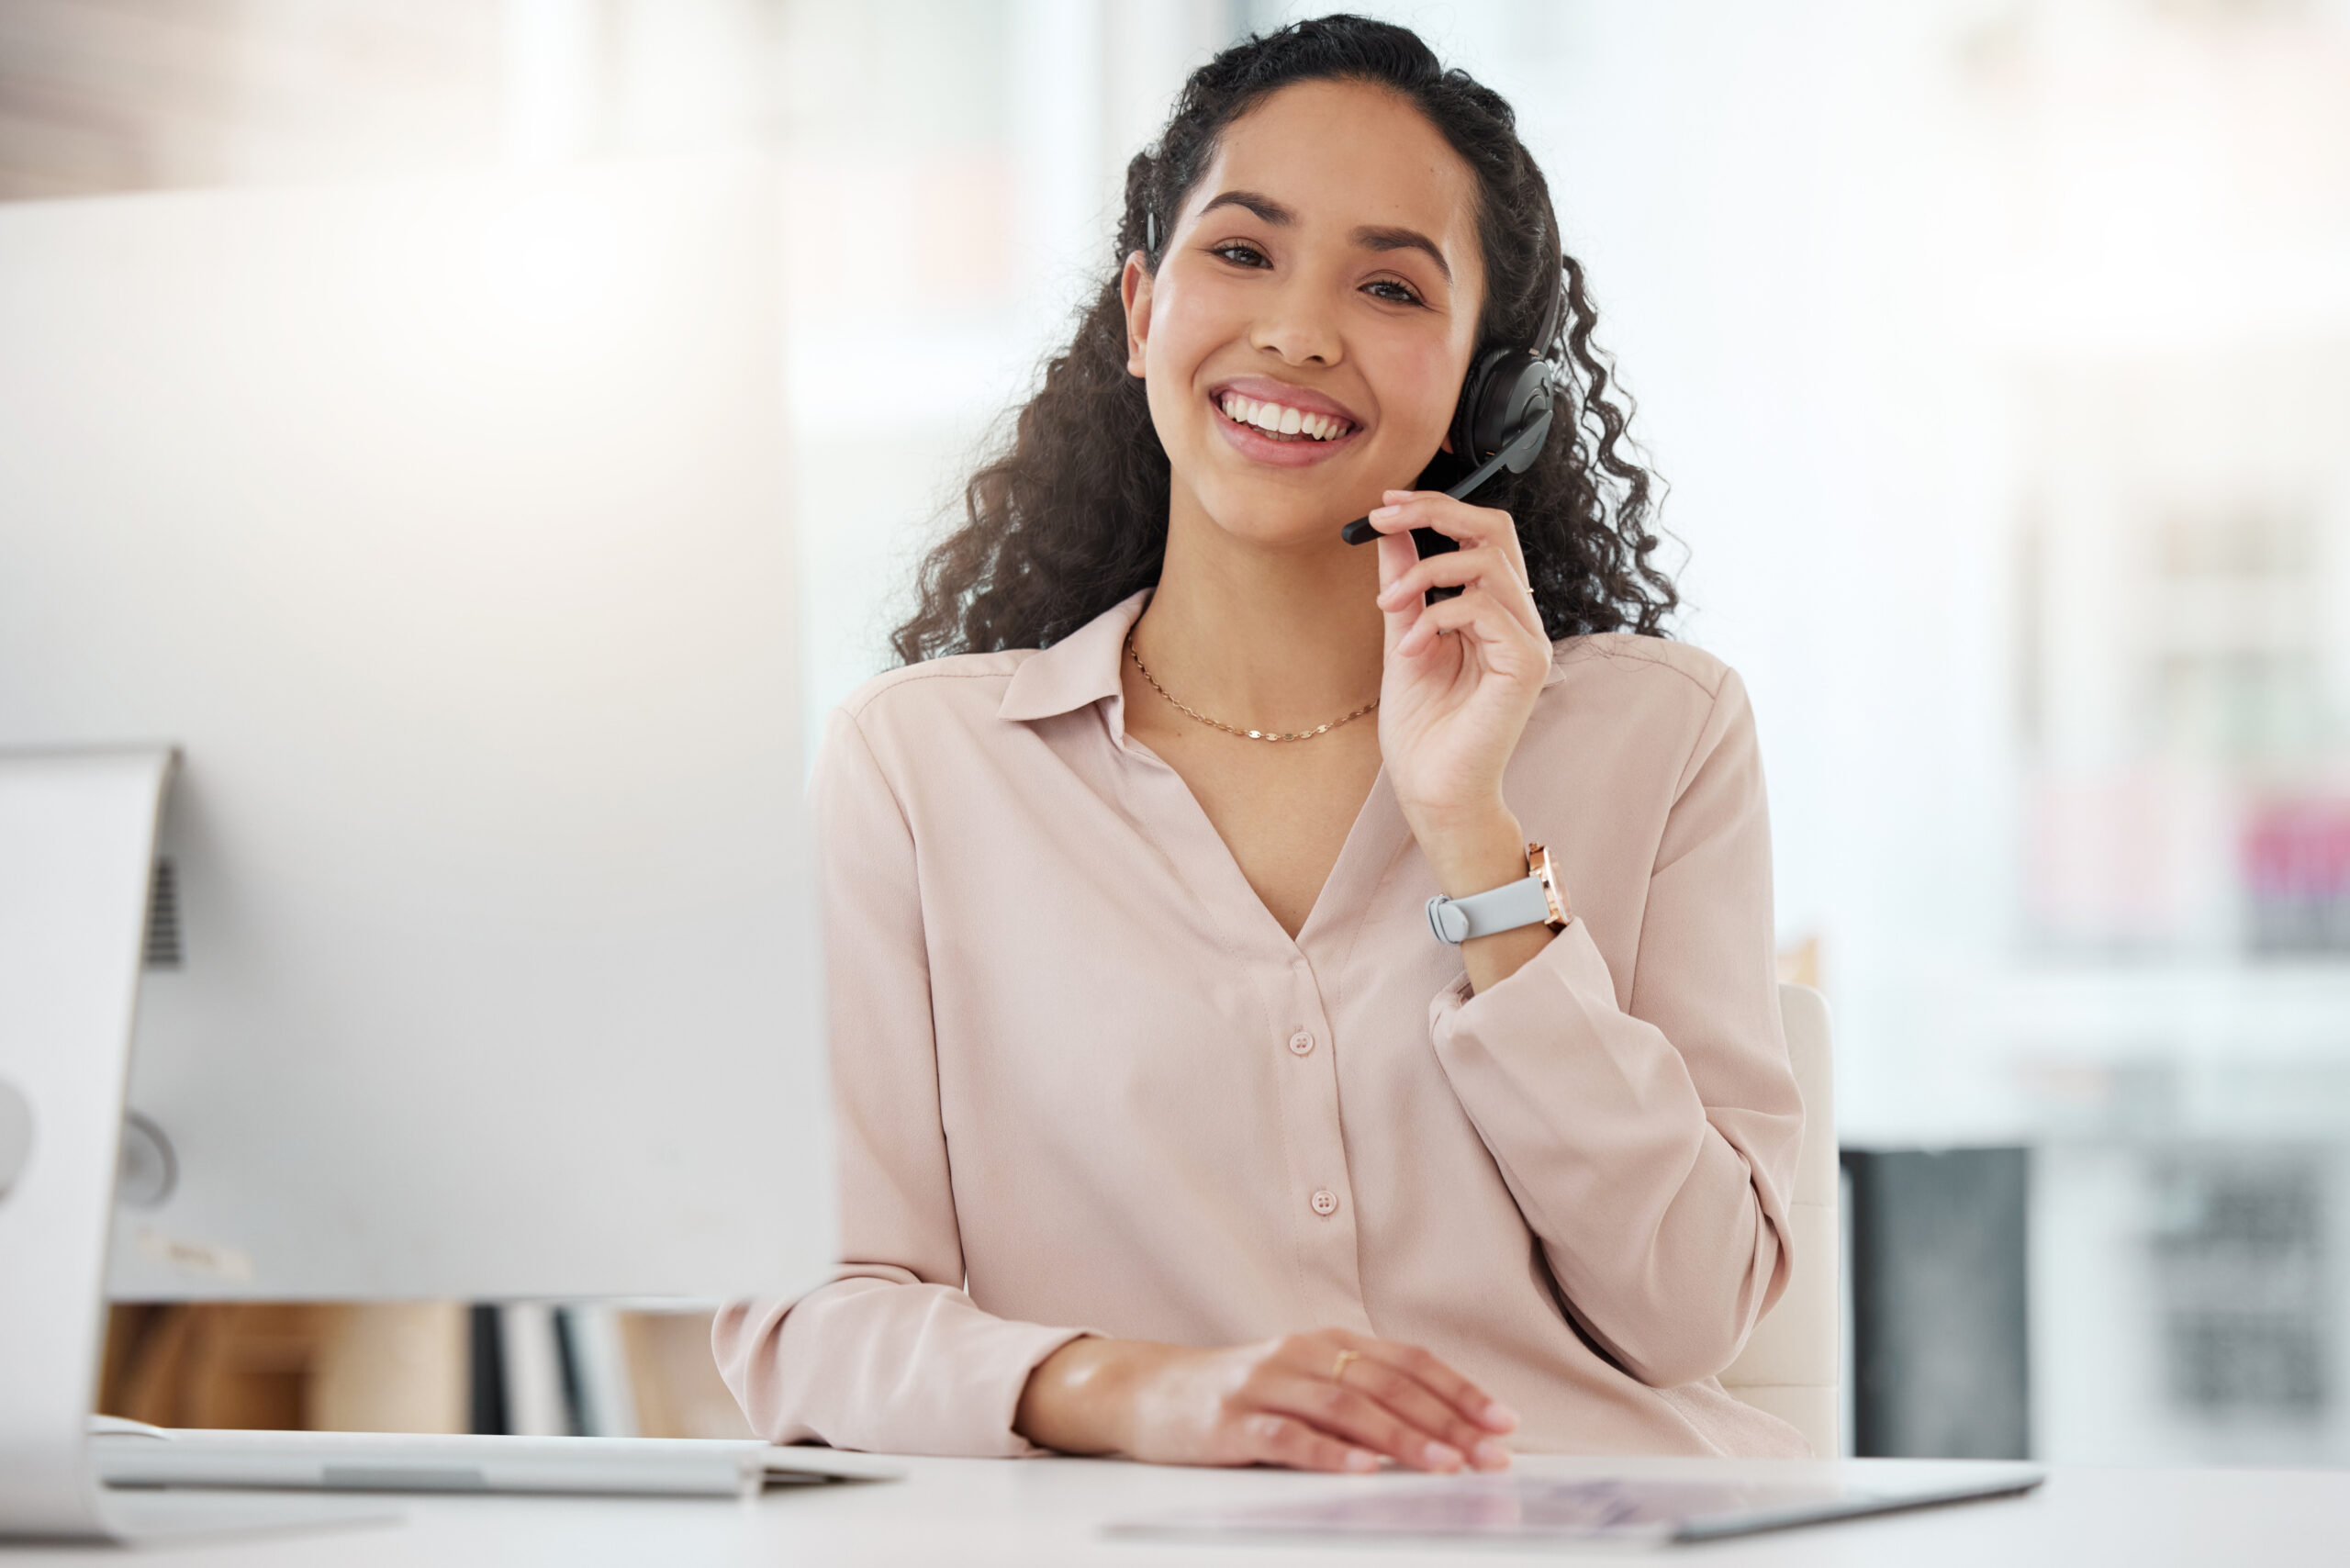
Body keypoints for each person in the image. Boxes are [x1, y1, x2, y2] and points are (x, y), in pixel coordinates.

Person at [716, 14, 1806, 1472]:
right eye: (1241, 252)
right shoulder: (919, 772)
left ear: (1493, 393)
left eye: (1389, 284)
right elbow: (809, 1322)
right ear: (1139, 308)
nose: (1298, 329)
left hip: (1587, 1531)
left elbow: (1693, 1309)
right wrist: (1142, 1392)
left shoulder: (1659, 731)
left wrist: (1473, 833)